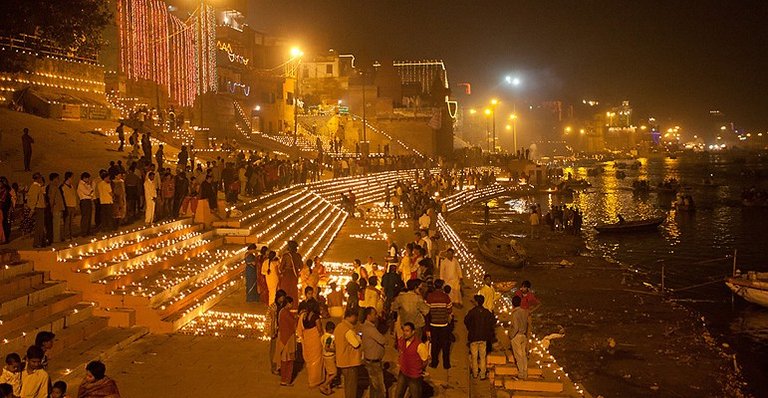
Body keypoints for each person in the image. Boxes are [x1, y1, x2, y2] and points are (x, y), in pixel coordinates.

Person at [464, 295, 496, 379]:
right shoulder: (486, 312)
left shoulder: (472, 312)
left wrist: (470, 328)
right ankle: (482, 374)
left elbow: (466, 321)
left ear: (477, 302)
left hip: (473, 337)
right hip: (483, 337)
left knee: (474, 357)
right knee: (482, 356)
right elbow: (493, 321)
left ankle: (475, 373)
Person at [394, 322, 429, 398]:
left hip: (414, 377)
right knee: (398, 395)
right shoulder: (402, 341)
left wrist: (418, 369)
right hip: (403, 373)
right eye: (404, 330)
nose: (404, 333)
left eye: (407, 331)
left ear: (413, 332)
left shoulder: (420, 345)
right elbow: (400, 353)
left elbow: (425, 360)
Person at [334, 308, 362, 398]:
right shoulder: (348, 330)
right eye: (355, 317)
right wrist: (359, 338)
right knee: (351, 387)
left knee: (347, 385)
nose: (356, 319)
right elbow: (356, 344)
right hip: (350, 362)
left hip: (342, 361)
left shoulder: (339, 327)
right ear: (351, 316)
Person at [426, 279, 453, 370]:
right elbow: (449, 310)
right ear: (441, 286)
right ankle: (446, 364)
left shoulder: (430, 297)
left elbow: (427, 311)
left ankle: (434, 363)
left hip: (433, 324)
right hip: (444, 324)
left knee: (434, 345)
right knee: (445, 345)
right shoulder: (446, 297)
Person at [360, 307, 386, 398]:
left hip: (370, 360)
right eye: (374, 314)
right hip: (374, 362)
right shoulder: (370, 328)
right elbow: (382, 340)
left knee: (374, 387)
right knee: (379, 388)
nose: (376, 316)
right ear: (368, 316)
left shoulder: (366, 327)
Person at [299, 300, 324, 388]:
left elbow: (302, 328)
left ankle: (311, 379)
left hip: (307, 340)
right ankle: (316, 380)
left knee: (310, 361)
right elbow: (319, 330)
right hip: (315, 340)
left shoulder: (304, 316)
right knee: (316, 361)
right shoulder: (315, 316)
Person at [275, 297, 298, 386]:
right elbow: (292, 323)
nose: (291, 305)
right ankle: (286, 380)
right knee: (288, 361)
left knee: (285, 359)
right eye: (291, 303)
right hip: (287, 339)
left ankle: (284, 379)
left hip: (284, 338)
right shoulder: (285, 313)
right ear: (287, 303)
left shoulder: (282, 312)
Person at [266, 290, 287, 374]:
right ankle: (274, 367)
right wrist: (272, 332)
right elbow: (271, 321)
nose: (283, 299)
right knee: (274, 350)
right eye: (282, 297)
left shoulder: (283, 306)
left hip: (282, 331)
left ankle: (280, 366)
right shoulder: (273, 307)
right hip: (275, 331)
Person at [509, 295, 529, 380]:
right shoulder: (524, 312)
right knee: (523, 355)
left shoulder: (514, 313)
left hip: (516, 336)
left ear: (512, 304)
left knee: (518, 356)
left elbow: (515, 327)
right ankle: (525, 372)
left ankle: (521, 374)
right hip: (523, 335)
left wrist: (511, 336)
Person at [27, 173, 47, 248]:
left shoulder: (36, 187)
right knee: (39, 227)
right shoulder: (35, 187)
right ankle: (37, 243)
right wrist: (32, 209)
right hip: (38, 208)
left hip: (39, 207)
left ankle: (41, 242)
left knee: (40, 226)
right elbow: (34, 199)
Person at [320, 321, 337, 395]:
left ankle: (329, 389)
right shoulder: (329, 337)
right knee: (334, 373)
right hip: (329, 357)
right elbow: (327, 348)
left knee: (329, 373)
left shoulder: (323, 336)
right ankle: (323, 385)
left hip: (325, 356)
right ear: (331, 329)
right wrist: (335, 350)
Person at [47, 173, 65, 243]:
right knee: (56, 225)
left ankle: (57, 238)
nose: (58, 180)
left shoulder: (55, 186)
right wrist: (51, 208)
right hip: (56, 208)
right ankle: (56, 239)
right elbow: (52, 198)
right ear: (54, 179)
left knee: (57, 224)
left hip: (57, 208)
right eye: (57, 178)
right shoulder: (53, 187)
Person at [60, 172, 77, 241]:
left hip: (72, 206)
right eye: (72, 177)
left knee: (71, 222)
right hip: (67, 206)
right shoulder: (63, 187)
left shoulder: (72, 186)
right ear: (69, 178)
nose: (73, 179)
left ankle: (71, 235)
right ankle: (66, 236)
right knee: (67, 222)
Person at [77, 172, 94, 236]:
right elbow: (88, 192)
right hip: (84, 201)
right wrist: (90, 192)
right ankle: (84, 232)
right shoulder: (81, 185)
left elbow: (91, 192)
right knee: (85, 217)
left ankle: (88, 231)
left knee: (89, 216)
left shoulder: (86, 184)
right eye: (87, 178)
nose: (88, 180)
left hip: (88, 200)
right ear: (84, 178)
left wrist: (90, 191)